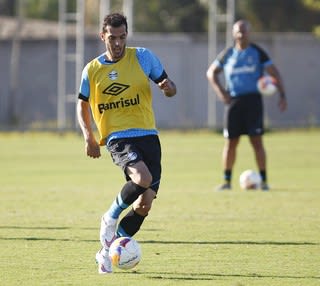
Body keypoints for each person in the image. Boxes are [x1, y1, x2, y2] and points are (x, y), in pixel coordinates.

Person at [77, 13, 176, 274]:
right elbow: (82, 104)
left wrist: (167, 87)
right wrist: (89, 136)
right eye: (112, 38)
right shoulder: (93, 69)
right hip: (118, 136)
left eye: (122, 37)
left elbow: (169, 86)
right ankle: (109, 217)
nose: (118, 43)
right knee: (141, 177)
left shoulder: (143, 57)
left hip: (148, 135)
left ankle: (107, 253)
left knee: (144, 204)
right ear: (103, 37)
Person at [206, 19, 287, 191]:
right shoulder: (228, 54)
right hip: (233, 102)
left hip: (253, 102)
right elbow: (211, 73)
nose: (241, 34)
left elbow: (274, 72)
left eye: (244, 31)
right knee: (231, 142)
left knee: (257, 142)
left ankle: (264, 181)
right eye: (238, 31)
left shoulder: (257, 52)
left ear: (249, 33)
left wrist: (282, 94)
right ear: (233, 34)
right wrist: (221, 93)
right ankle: (227, 181)